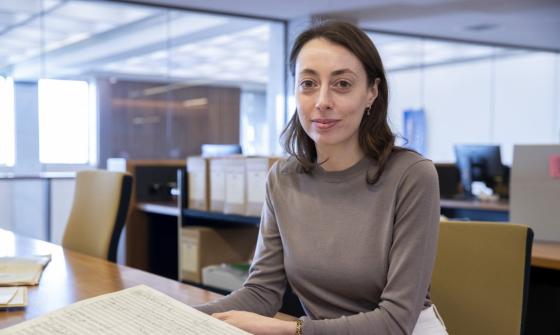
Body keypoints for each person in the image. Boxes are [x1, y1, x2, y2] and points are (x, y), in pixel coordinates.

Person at [195, 20, 446, 335]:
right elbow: (261, 292)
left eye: (342, 84)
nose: (322, 101)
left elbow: (396, 321)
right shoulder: (283, 178)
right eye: (308, 83)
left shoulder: (411, 175)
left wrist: (290, 330)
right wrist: (176, 316)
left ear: (372, 93)